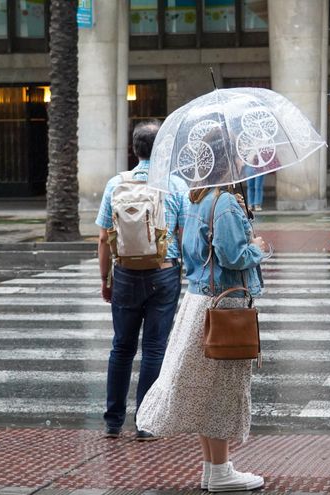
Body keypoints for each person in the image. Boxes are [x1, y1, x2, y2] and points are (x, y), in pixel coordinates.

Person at [136, 148, 268, 491]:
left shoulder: (198, 198)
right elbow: (233, 255)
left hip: (200, 301)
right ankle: (221, 471)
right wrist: (258, 246)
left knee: (206, 390)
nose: (243, 163)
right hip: (223, 305)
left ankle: (214, 467)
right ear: (227, 164)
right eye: (238, 158)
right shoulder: (223, 202)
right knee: (222, 390)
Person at [96, 121, 186, 441]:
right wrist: (185, 269)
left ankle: (112, 421)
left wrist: (106, 278)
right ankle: (145, 422)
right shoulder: (175, 185)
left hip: (125, 273)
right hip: (164, 271)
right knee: (154, 348)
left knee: (121, 347)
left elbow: (105, 237)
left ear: (135, 149)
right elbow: (184, 234)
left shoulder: (115, 184)